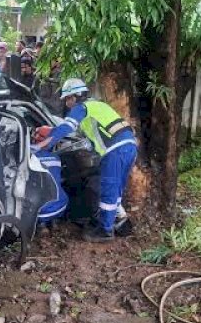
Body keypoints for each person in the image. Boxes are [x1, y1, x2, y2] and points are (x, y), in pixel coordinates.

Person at [36, 78, 136, 242]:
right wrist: (52, 131)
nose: (67, 103)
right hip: (129, 145)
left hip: (114, 150)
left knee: (108, 189)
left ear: (76, 96)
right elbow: (86, 135)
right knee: (117, 188)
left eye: (68, 98)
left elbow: (67, 127)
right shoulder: (98, 105)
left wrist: (42, 145)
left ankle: (105, 231)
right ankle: (122, 222)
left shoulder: (81, 107)